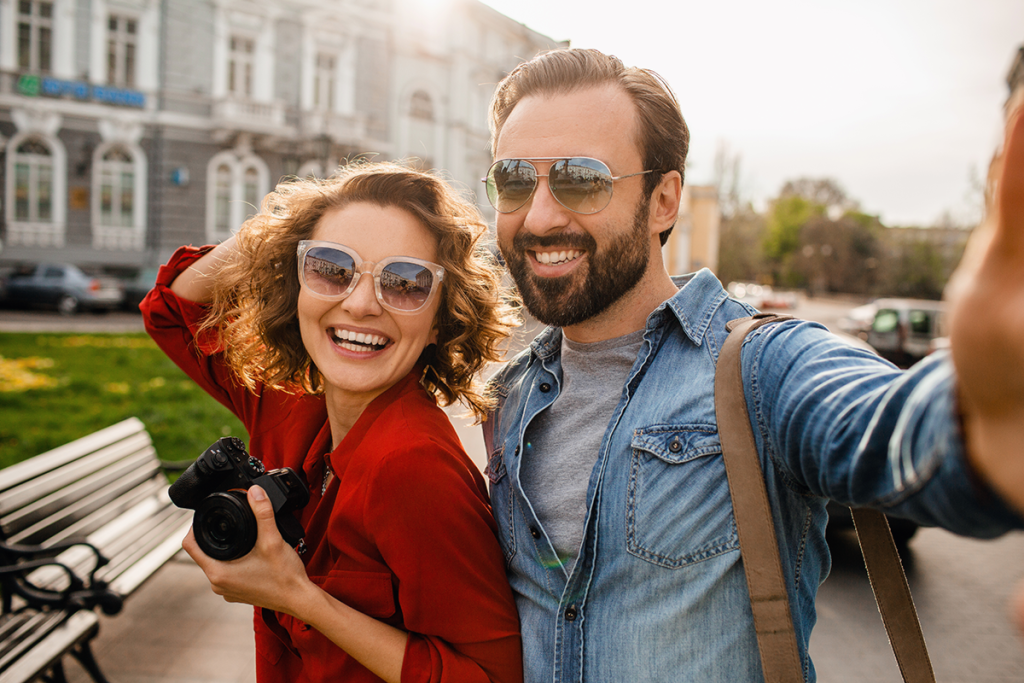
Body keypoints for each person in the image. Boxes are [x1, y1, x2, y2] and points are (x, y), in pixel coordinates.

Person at [480, 47, 1024, 682]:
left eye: (582, 180)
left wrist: (989, 419)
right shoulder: (509, 399)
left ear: (663, 200)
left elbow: (888, 428)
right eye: (516, 180)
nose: (540, 215)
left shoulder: (759, 368)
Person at [141, 162, 523, 683]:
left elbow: (490, 676)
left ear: (440, 318)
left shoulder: (413, 468)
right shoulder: (292, 404)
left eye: (405, 281)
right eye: (330, 268)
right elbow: (175, 309)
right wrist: (290, 222)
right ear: (294, 281)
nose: (361, 303)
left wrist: (297, 598)